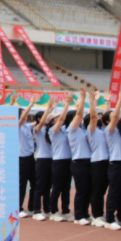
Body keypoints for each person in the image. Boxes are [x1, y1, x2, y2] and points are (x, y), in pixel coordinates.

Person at [104, 91, 121, 230]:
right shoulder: (110, 130)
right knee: (114, 192)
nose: (117, 118)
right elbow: (114, 117)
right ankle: (109, 219)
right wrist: (120, 100)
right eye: (114, 117)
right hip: (115, 164)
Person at [67, 89, 91, 224]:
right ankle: (78, 216)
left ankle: (85, 213)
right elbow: (80, 114)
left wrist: (86, 102)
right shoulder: (72, 129)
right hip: (78, 162)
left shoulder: (82, 129)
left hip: (88, 161)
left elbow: (85, 115)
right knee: (81, 190)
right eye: (77, 117)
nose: (81, 118)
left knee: (88, 189)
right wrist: (83, 98)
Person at [87, 89, 110, 227]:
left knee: (104, 190)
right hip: (97, 163)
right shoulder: (92, 131)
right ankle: (97, 215)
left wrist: (107, 102)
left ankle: (102, 214)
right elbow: (93, 117)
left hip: (108, 163)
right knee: (98, 191)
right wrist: (93, 102)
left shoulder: (104, 131)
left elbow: (107, 117)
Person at [48, 95, 73, 222]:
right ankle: (53, 211)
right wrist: (66, 105)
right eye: (56, 118)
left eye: (58, 116)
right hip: (59, 162)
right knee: (57, 187)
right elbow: (63, 118)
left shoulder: (64, 130)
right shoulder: (52, 130)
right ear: (52, 121)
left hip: (68, 161)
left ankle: (66, 210)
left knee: (66, 188)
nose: (59, 118)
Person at [31, 99, 56, 222]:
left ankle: (47, 209)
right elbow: (42, 122)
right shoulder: (37, 129)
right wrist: (48, 109)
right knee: (39, 186)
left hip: (52, 160)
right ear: (39, 119)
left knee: (48, 187)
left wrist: (51, 109)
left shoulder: (51, 129)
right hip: (41, 160)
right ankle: (36, 211)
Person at [16, 95, 37, 217]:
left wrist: (49, 111)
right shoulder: (17, 126)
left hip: (31, 157)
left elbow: (37, 122)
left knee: (35, 183)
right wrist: (31, 103)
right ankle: (18, 208)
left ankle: (31, 207)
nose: (26, 115)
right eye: (24, 114)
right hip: (22, 159)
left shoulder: (27, 126)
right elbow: (23, 118)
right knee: (22, 184)